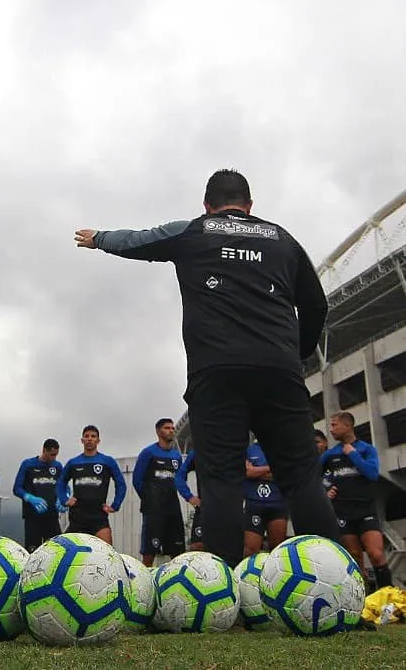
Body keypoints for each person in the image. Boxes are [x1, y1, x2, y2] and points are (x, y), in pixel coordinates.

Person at [75, 168, 338, 567]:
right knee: (301, 474)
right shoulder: (283, 240)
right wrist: (294, 356)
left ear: (207, 205)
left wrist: (99, 239)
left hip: (216, 372)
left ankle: (222, 591)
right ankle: (334, 584)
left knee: (221, 479)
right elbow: (317, 306)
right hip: (278, 371)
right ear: (250, 205)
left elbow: (139, 240)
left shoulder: (195, 231)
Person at [322, 411, 392, 588]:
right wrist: (326, 490)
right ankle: (363, 602)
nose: (331, 429)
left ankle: (387, 598)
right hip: (343, 512)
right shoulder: (330, 454)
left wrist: (353, 454)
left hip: (365, 510)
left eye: (334, 425)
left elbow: (372, 474)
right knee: (354, 557)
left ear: (347, 426)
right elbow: (313, 476)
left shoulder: (366, 449)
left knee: (375, 554)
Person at [58, 426, 127, 546]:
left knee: (107, 553)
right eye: (87, 436)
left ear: (98, 441)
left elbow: (121, 484)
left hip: (99, 515)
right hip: (77, 515)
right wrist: (64, 499)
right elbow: (60, 483)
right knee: (72, 552)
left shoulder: (107, 461)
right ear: (82, 440)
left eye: (93, 436)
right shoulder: (73, 462)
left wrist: (115, 505)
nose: (89, 439)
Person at [133, 419, 185, 565]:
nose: (171, 430)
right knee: (150, 552)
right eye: (167, 428)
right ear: (158, 431)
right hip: (153, 510)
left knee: (177, 553)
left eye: (172, 428)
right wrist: (150, 498)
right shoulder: (148, 452)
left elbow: (179, 480)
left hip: (173, 509)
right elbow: (137, 480)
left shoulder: (176, 456)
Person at [13, 439, 64, 553]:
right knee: (32, 552)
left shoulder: (58, 466)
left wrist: (63, 498)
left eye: (56, 455)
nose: (53, 458)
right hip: (32, 517)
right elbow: (17, 489)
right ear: (44, 450)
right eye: (51, 454)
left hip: (52, 517)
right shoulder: (28, 464)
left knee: (55, 552)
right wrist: (30, 498)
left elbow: (64, 486)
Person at [243, 441, 288, 556]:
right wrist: (271, 468)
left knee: (277, 551)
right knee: (250, 551)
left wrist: (257, 471)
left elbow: (284, 472)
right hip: (254, 503)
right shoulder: (248, 449)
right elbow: (248, 472)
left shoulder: (282, 448)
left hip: (278, 503)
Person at [175, 446, 204, 552]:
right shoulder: (198, 451)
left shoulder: (231, 448)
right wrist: (189, 496)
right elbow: (179, 476)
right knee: (197, 547)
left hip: (227, 507)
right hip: (204, 507)